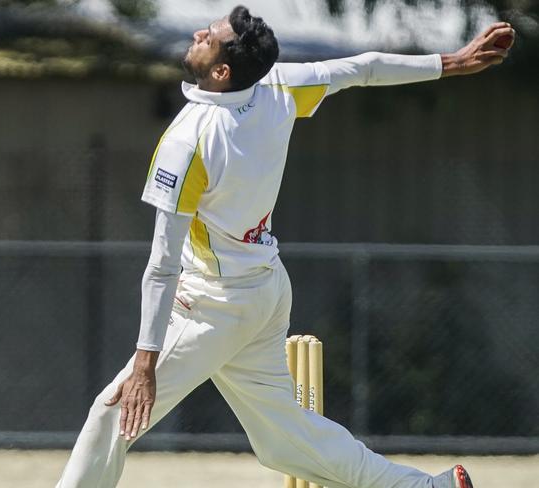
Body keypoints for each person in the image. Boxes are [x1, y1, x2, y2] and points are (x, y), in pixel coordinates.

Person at [56, 6, 514, 488]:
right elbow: (362, 68)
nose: (196, 34)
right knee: (284, 442)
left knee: (112, 414)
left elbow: (162, 266)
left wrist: (145, 364)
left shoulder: (188, 141)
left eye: (207, 37)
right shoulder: (277, 86)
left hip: (213, 305)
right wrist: (451, 62)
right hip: (265, 291)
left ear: (221, 71)